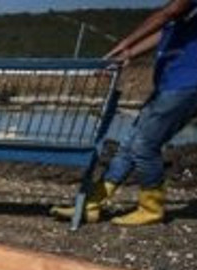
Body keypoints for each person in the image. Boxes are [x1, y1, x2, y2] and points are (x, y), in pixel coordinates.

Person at [53, 0, 197, 226]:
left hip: (186, 83)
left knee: (144, 144)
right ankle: (93, 202)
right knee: (130, 141)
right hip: (172, 82)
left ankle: (152, 206)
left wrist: (125, 42)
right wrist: (128, 53)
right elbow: (166, 31)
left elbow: (169, 13)